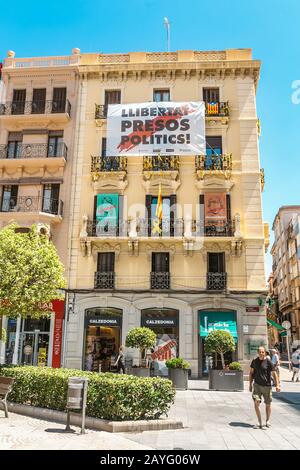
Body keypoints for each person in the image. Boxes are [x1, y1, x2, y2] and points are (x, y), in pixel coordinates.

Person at [249, 346, 280, 429]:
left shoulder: (268, 361)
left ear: (265, 353)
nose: (261, 353)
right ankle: (259, 422)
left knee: (268, 404)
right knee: (256, 403)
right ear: (258, 352)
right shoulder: (254, 361)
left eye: (263, 352)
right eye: (260, 352)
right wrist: (250, 384)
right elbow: (251, 373)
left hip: (267, 386)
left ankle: (267, 420)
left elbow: (274, 374)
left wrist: (277, 385)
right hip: (257, 385)